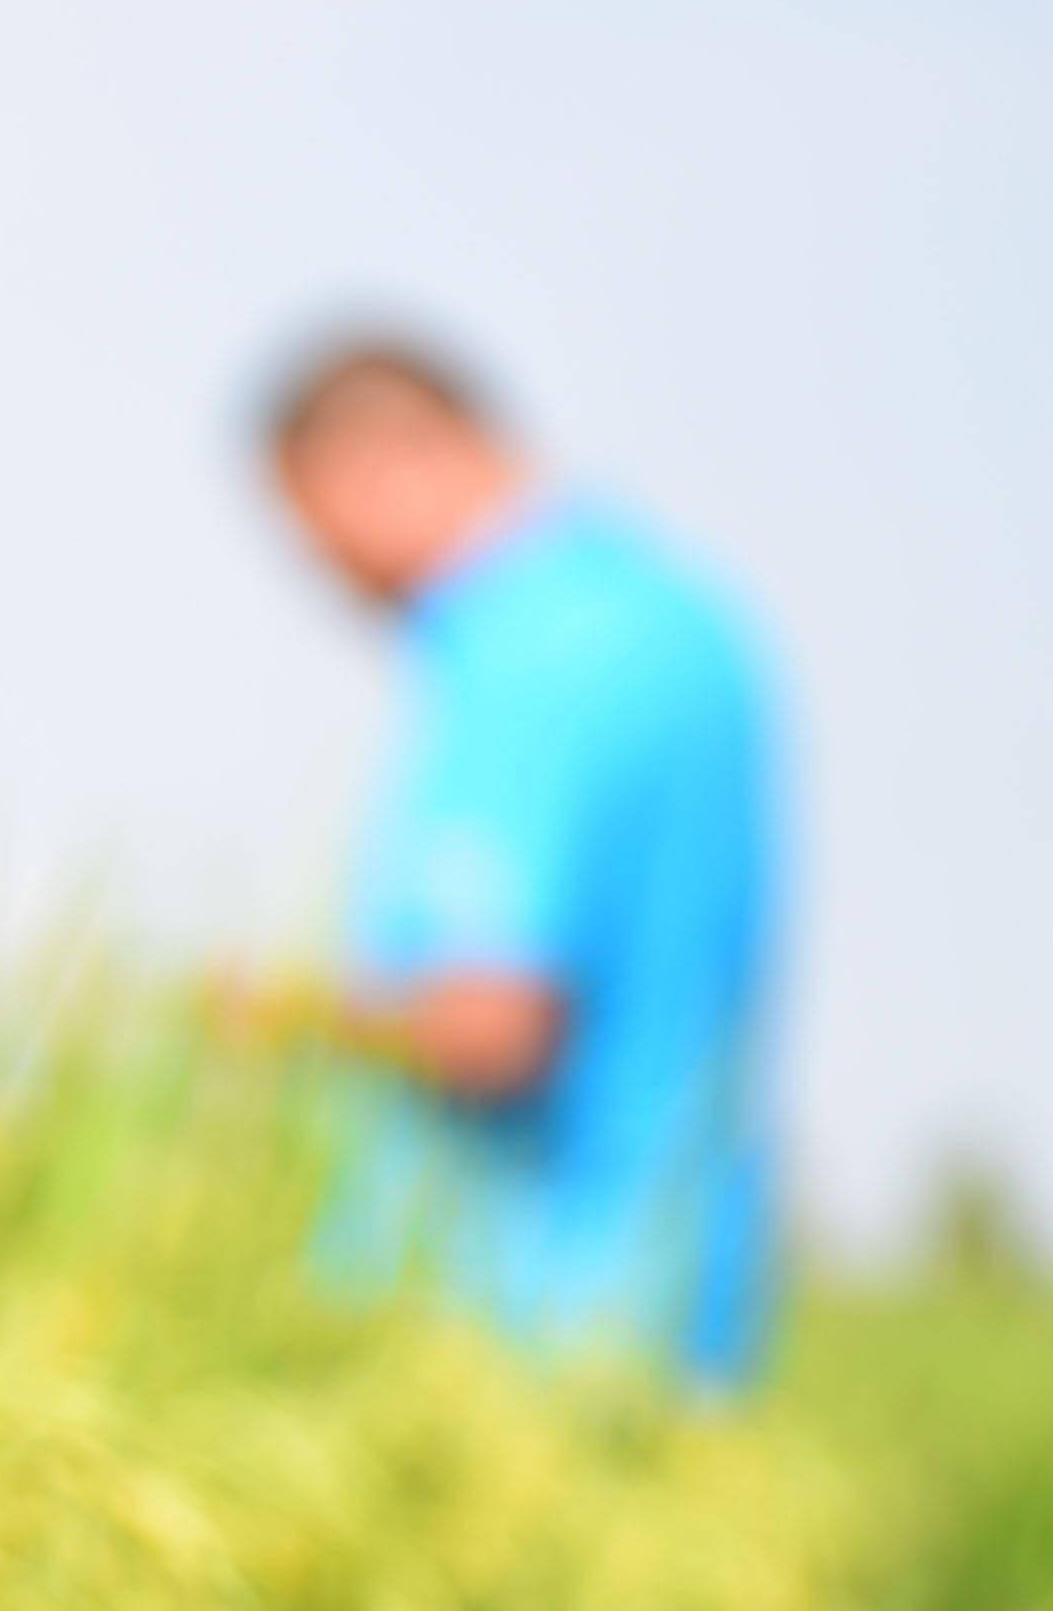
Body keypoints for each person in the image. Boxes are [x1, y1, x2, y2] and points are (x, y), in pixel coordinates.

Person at [247, 332, 788, 1391]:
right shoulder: (680, 627)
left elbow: (492, 1022)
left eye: (319, 541)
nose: (341, 587)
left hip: (507, 1334)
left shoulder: (524, 659)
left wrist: (269, 1015)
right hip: (673, 1316)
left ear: (376, 467)